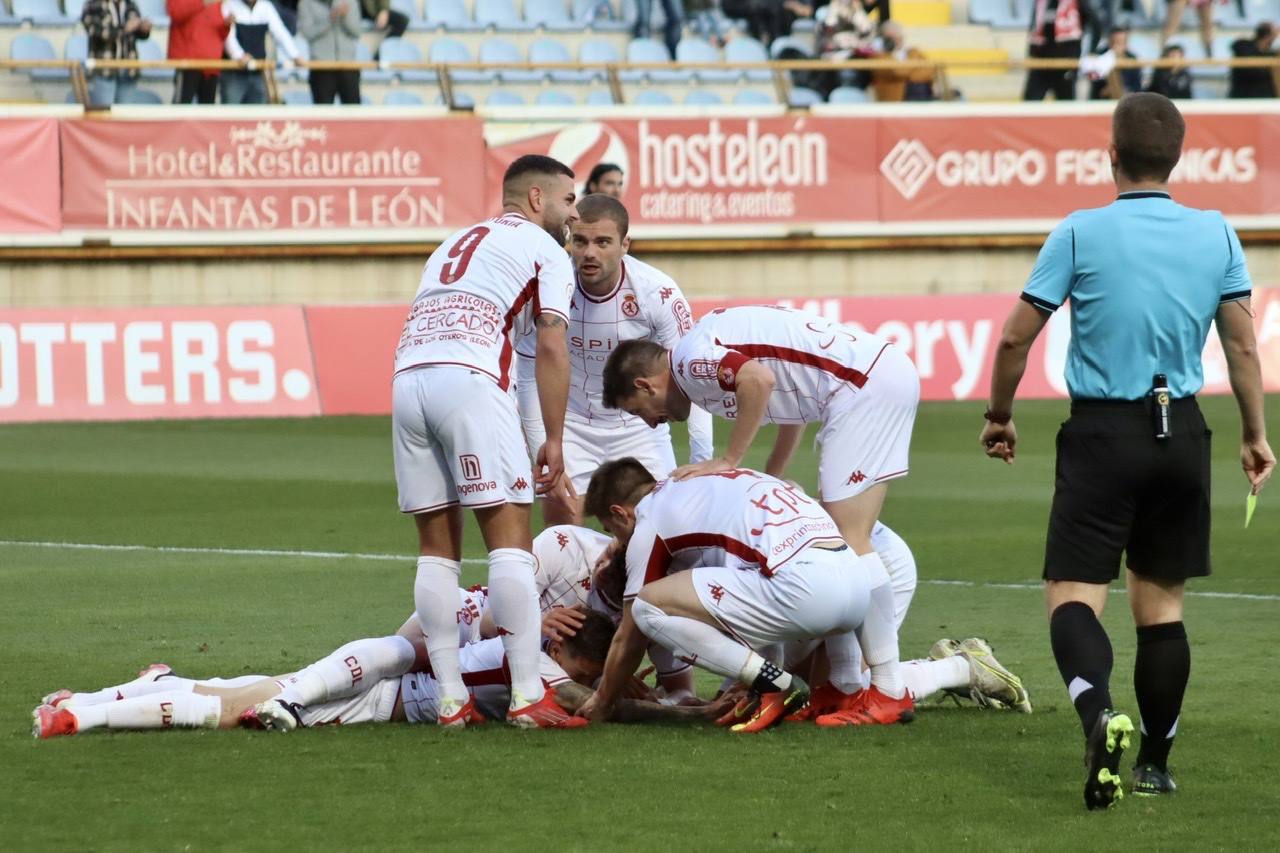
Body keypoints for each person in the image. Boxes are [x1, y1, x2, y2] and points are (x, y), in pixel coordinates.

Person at [980, 93, 1273, 809]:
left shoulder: (1080, 232)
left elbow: (1018, 336)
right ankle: (1156, 762)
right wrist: (1254, 433)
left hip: (1102, 433)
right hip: (1184, 434)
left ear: (1110, 155)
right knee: (1162, 608)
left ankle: (1097, 716)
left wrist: (1000, 414)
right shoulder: (1217, 233)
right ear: (1176, 158)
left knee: (1073, 595)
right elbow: (1240, 344)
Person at [392, 155, 578, 729]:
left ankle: (451, 700)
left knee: (435, 547)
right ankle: (528, 696)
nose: (574, 216)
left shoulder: (455, 241)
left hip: (407, 381)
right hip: (470, 380)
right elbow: (549, 346)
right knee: (509, 541)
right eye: (570, 202)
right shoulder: (549, 252)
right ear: (539, 199)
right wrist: (552, 437)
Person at [600, 305, 919, 616]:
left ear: (645, 385)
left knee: (848, 536)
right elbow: (793, 401)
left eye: (637, 410)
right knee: (841, 528)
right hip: (871, 375)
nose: (650, 422)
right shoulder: (697, 353)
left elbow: (758, 381)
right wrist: (773, 475)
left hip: (860, 385)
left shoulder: (689, 361)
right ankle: (871, 659)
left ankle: (878, 667)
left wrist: (728, 459)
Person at [30, 611, 669, 738]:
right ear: (573, 657)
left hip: (383, 687)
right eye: (597, 664)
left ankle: (124, 691)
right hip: (378, 697)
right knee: (232, 710)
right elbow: (594, 705)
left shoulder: (531, 651)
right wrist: (682, 711)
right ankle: (80, 717)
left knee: (236, 692)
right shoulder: (538, 666)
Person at [515, 195, 713, 526]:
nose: (590, 252)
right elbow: (527, 373)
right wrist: (545, 447)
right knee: (563, 536)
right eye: (580, 241)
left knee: (662, 528)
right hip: (570, 424)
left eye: (603, 242)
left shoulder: (657, 293)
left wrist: (702, 461)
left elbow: (690, 377)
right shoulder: (549, 288)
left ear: (625, 245)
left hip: (638, 426)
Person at [222, 0, 304, 104]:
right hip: (234, 71)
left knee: (257, 113)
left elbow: (280, 32)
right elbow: (228, 36)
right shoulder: (229, 5)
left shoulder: (265, 6)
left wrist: (295, 55)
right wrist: (239, 56)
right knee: (231, 113)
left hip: (258, 70)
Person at [81, 0, 152, 106]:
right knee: (104, 115)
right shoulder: (92, 5)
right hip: (104, 70)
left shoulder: (131, 5)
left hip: (128, 70)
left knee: (125, 117)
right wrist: (124, 29)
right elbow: (95, 31)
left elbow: (138, 35)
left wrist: (144, 29)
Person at [167, 0, 231, 104]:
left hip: (211, 64)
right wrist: (201, 3)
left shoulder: (217, 3)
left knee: (207, 113)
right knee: (180, 109)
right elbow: (175, 13)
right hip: (188, 63)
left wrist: (226, 25)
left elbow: (218, 34)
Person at [1024, 0, 1089, 101]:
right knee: (1030, 102)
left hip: (1065, 64)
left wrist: (1087, 52)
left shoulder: (1077, 2)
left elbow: (1093, 25)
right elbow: (1034, 29)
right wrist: (1031, 54)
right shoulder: (1041, 3)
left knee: (1066, 106)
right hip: (1041, 64)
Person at [299, 0, 361, 105]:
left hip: (347, 64)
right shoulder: (306, 3)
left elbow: (357, 32)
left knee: (353, 111)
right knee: (323, 111)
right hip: (321, 65)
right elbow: (307, 33)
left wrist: (345, 17)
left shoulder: (350, 2)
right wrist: (330, 18)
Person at [869, 20, 935, 101]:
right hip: (895, 100)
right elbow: (898, 72)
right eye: (891, 37)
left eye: (898, 36)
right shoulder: (879, 56)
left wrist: (905, 74)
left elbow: (929, 71)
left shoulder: (914, 52)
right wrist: (913, 69)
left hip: (922, 95)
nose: (896, 40)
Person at [1085, 26, 1141, 100]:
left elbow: (1136, 85)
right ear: (1109, 41)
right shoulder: (1100, 56)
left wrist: (1127, 91)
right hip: (1102, 100)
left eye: (1122, 42)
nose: (1118, 46)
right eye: (1115, 42)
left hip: (1126, 100)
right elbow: (1093, 79)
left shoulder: (1132, 58)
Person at [1228, 22, 1277, 99]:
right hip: (1243, 96)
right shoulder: (1244, 46)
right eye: (1275, 35)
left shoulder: (1271, 54)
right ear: (1268, 36)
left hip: (1266, 97)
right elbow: (1253, 70)